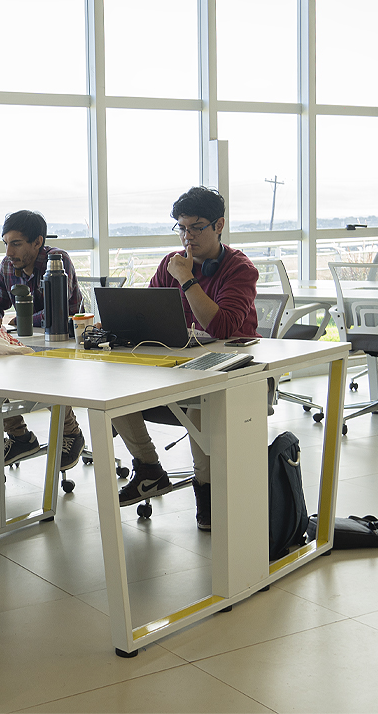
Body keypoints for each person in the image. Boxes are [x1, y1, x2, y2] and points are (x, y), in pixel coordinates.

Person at [113, 186, 259, 531]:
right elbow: (146, 314)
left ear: (219, 225)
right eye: (181, 228)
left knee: (199, 404)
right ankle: (149, 469)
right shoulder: (172, 263)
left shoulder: (240, 269)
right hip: (182, 365)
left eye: (196, 227)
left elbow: (222, 327)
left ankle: (207, 494)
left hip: (235, 371)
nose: (187, 237)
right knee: (113, 392)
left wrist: (188, 279)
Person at [0, 210, 85, 471]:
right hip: (27, 341)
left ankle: (71, 432)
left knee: (42, 372)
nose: (8, 252)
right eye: (5, 244)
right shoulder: (7, 266)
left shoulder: (56, 261)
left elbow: (59, 310)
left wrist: (24, 318)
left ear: (37, 241)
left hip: (63, 341)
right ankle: (20, 436)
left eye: (16, 244)